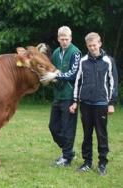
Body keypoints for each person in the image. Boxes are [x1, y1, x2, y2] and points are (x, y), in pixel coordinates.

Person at [69, 32, 118, 176]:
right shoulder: (83, 61)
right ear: (87, 46)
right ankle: (87, 162)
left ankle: (102, 163)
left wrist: (111, 103)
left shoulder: (109, 61)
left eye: (94, 45)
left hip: (102, 103)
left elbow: (113, 83)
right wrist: (75, 101)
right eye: (89, 46)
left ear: (100, 44)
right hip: (85, 104)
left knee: (101, 135)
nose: (92, 48)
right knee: (87, 135)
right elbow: (78, 82)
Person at [49, 26, 81, 166]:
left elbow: (74, 74)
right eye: (62, 39)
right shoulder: (56, 53)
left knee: (68, 127)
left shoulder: (76, 52)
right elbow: (51, 69)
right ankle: (68, 151)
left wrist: (57, 75)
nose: (64, 42)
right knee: (53, 126)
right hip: (58, 95)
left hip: (70, 95)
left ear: (71, 38)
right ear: (58, 39)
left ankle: (66, 157)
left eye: (66, 39)